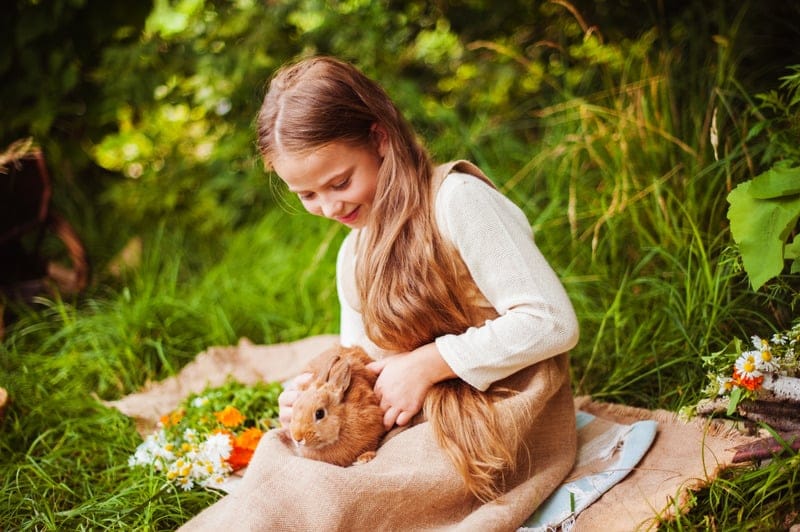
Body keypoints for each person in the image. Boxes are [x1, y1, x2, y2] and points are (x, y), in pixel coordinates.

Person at [180, 55, 579, 531]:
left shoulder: (455, 202)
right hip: (420, 410)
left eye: (340, 182)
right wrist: (315, 394)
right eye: (307, 195)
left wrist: (428, 364)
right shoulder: (353, 254)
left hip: (499, 412)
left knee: (350, 492)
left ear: (380, 138)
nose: (328, 206)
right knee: (287, 455)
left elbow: (551, 321)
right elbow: (365, 360)